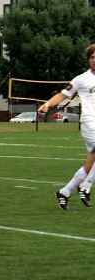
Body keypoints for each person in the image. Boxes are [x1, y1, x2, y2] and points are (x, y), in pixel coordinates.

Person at [39, 43, 95, 211]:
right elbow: (63, 94)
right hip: (90, 122)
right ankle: (86, 186)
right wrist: (48, 104)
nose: (94, 60)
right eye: (91, 57)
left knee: (90, 164)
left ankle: (65, 191)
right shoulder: (81, 79)